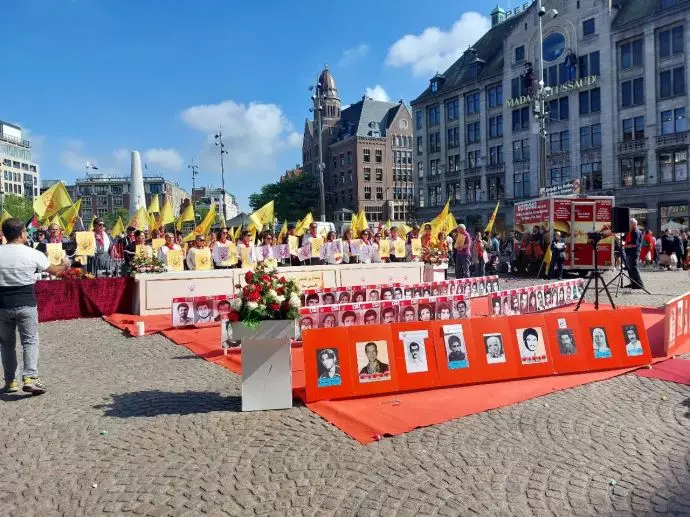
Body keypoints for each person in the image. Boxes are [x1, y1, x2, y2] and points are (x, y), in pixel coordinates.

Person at [1, 218, 70, 394]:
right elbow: (56, 271)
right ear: (21, 234)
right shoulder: (32, 253)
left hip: (2, 304)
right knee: (30, 341)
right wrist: (65, 263)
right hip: (26, 303)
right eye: (25, 232)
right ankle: (30, 377)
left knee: (6, 344)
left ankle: (10, 381)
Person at [623, 218, 644, 288]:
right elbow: (623, 238)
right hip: (629, 252)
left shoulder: (636, 232)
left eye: (629, 223)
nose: (628, 224)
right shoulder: (629, 232)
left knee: (634, 268)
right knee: (629, 269)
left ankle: (640, 284)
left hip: (634, 252)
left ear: (633, 224)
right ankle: (633, 283)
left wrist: (625, 246)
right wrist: (615, 235)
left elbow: (634, 244)